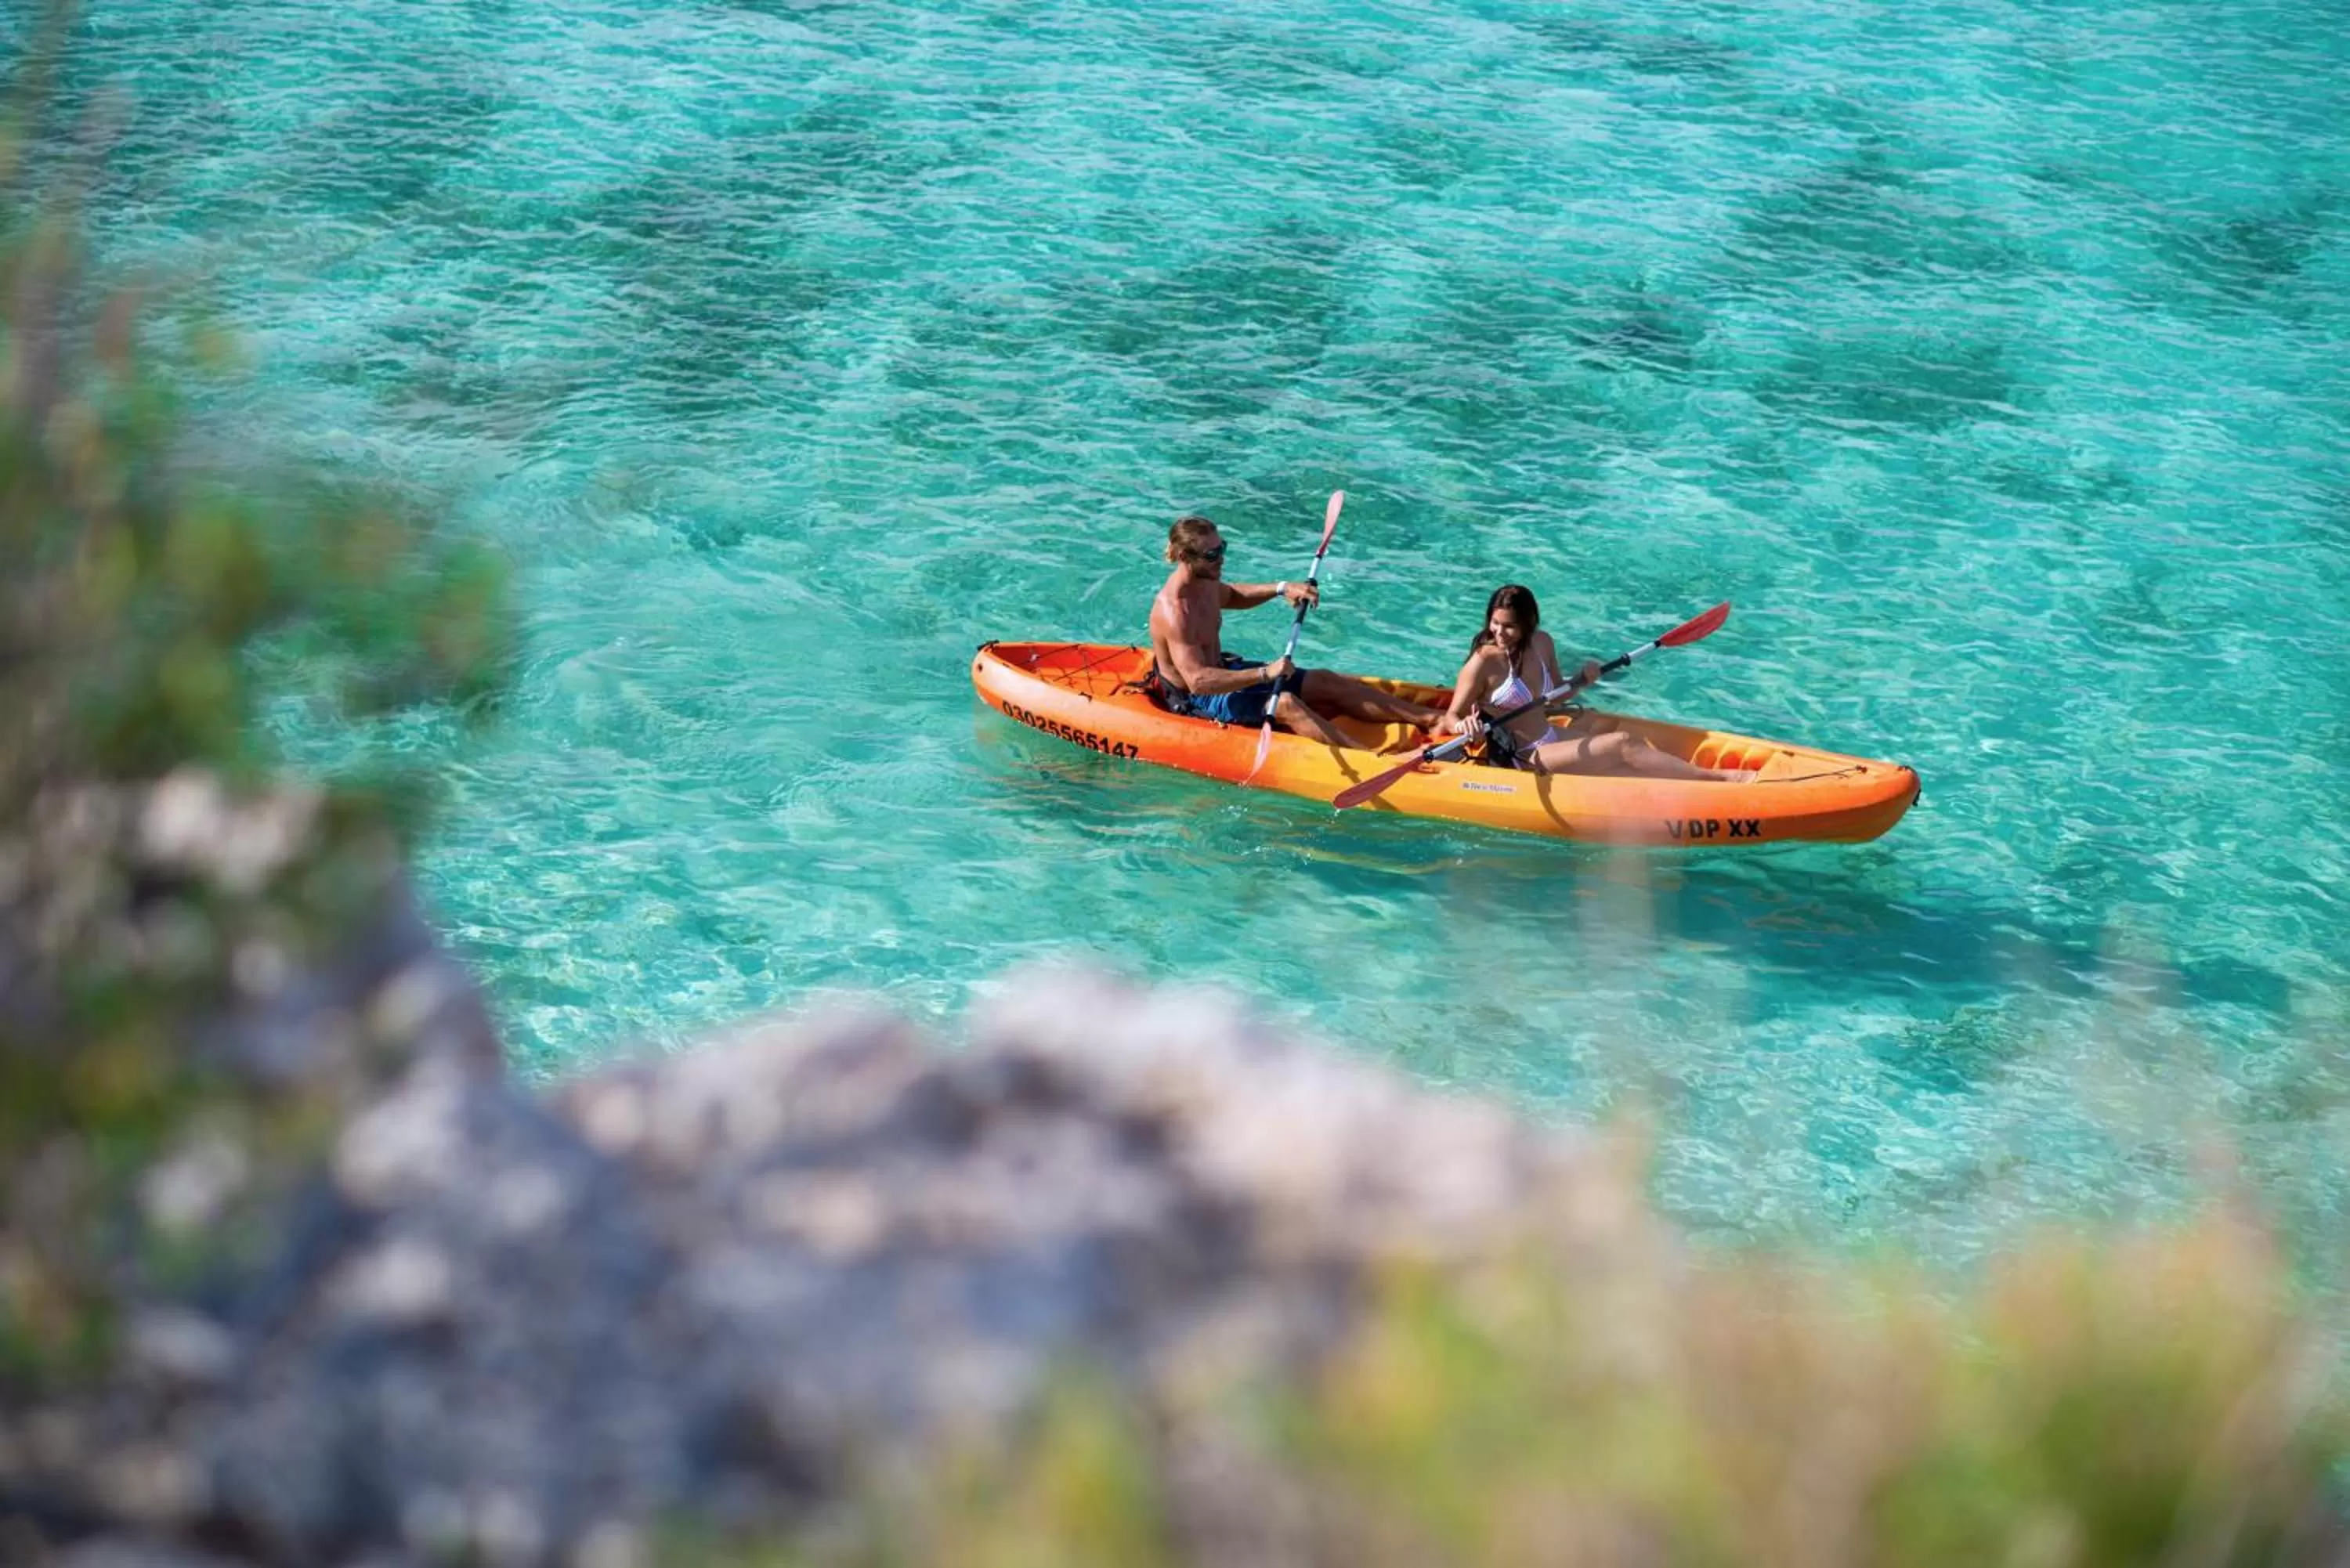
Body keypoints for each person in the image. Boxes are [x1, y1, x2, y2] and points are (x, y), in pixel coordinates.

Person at [1148, 514, 1441, 747]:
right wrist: (1265, 673)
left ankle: (1435, 719)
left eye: (1222, 548)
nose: (1221, 558)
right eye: (1212, 554)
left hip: (1224, 670)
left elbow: (1232, 596)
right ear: (1186, 558)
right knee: (1287, 704)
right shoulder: (1175, 612)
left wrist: (1282, 588)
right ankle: (1373, 765)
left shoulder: (1206, 580)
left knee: (1325, 680)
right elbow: (1198, 681)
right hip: (1200, 699)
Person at [1433, 584, 1752, 781]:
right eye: (1495, 624)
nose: (1500, 633)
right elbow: (1451, 716)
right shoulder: (1483, 661)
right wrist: (1464, 728)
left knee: (1624, 767)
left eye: (1510, 627)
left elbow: (1555, 698)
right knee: (1622, 743)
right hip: (1524, 756)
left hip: (1551, 735)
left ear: (1529, 624)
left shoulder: (1543, 643)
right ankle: (1719, 779)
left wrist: (1583, 680)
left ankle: (1690, 786)